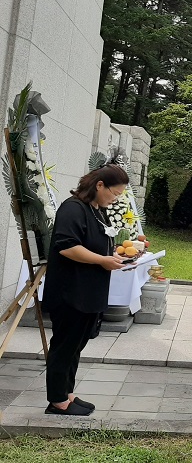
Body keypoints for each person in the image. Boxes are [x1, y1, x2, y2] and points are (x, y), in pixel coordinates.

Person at [42, 164, 129, 415]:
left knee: (76, 346)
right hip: (71, 292)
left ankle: (67, 393)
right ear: (100, 185)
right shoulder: (73, 208)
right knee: (65, 346)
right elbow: (67, 246)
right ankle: (57, 401)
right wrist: (102, 260)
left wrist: (114, 256)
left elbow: (96, 243)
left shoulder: (96, 210)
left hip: (88, 292)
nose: (115, 199)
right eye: (114, 193)